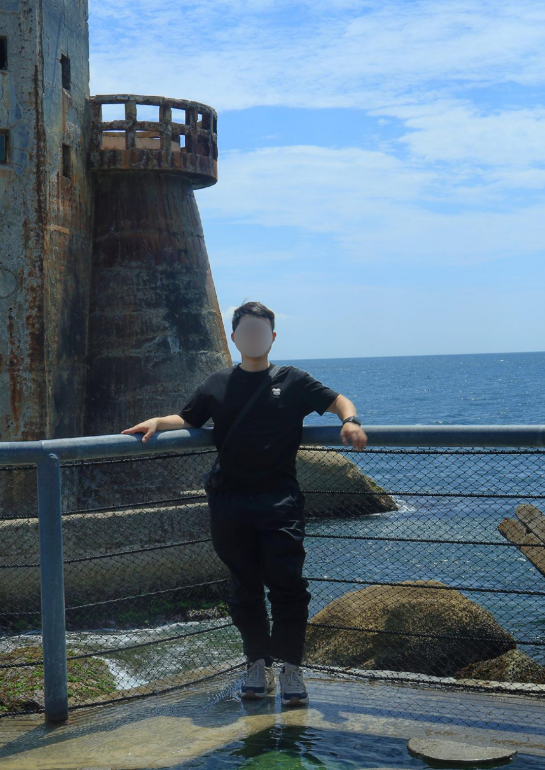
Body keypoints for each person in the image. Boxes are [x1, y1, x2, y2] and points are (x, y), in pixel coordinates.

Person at [121, 301, 367, 707]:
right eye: (246, 331)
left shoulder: (292, 380)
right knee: (244, 589)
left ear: (272, 337)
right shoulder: (217, 383)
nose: (254, 337)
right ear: (235, 338)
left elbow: (339, 400)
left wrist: (350, 421)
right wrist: (158, 423)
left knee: (288, 586)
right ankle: (257, 665)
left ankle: (291, 668)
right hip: (229, 502)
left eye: (261, 331)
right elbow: (189, 418)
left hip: (279, 501)